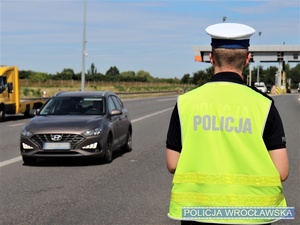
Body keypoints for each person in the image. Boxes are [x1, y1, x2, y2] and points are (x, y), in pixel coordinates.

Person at [166, 23, 289, 225]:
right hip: (252, 215)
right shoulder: (264, 105)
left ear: (211, 58)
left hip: (198, 213)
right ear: (247, 59)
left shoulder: (186, 102)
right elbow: (281, 171)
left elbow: (172, 163)